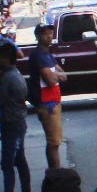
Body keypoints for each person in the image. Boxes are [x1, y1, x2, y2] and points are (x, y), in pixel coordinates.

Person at [0, 41, 34, 192]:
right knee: (18, 160)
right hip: (16, 123)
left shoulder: (7, 78)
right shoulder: (14, 74)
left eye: (0, 57)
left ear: (7, 59)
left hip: (12, 124)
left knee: (8, 163)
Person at [28, 24, 67, 168]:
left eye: (50, 33)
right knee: (53, 142)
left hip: (53, 101)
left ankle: (54, 172)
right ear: (38, 36)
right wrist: (55, 75)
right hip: (47, 103)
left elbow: (64, 75)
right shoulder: (38, 55)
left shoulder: (47, 54)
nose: (49, 36)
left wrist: (54, 74)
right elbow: (50, 80)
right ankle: (56, 173)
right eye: (45, 33)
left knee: (54, 142)